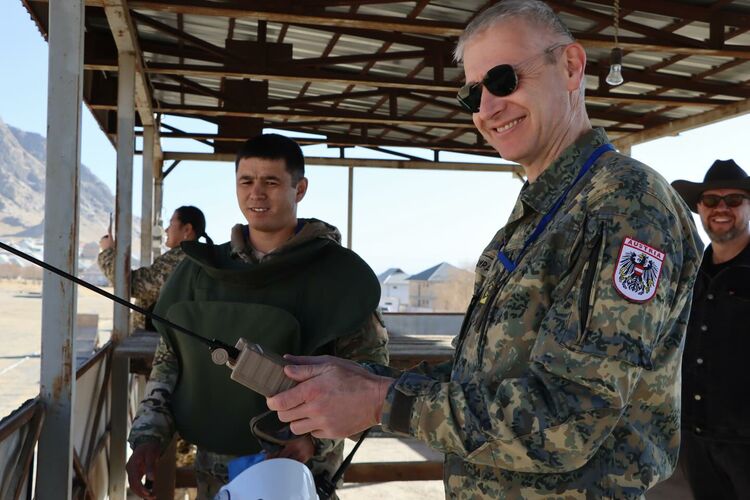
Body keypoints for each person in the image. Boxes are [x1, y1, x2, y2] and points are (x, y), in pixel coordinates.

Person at [267, 1, 703, 498]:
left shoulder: (624, 204)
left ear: (570, 67)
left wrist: (380, 401)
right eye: (473, 94)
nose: (487, 108)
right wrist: (364, 379)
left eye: (503, 80)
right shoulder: (548, 209)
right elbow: (485, 375)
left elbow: (570, 417)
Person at [125, 133, 389, 499]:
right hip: (216, 478)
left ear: (300, 189)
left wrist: (313, 441)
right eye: (246, 181)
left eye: (271, 182)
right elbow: (169, 364)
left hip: (299, 476)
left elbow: (369, 378)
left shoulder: (341, 278)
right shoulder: (198, 273)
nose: (256, 194)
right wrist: (147, 437)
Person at [671, 159, 750, 499]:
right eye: (711, 201)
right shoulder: (687, 274)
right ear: (699, 209)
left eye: (733, 200)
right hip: (696, 440)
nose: (721, 208)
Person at [98, 205, 211, 330]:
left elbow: (131, 284)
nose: (166, 230)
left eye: (171, 224)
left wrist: (107, 252)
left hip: (154, 337)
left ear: (187, 229)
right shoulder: (197, 256)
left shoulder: (178, 259)